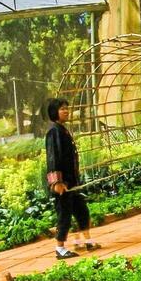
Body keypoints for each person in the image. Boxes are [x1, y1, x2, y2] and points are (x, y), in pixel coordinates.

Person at [44, 98, 98, 259]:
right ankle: (59, 249)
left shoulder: (62, 129)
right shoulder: (54, 131)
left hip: (72, 183)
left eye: (67, 108)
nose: (66, 111)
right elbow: (52, 158)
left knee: (82, 211)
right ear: (54, 112)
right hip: (63, 184)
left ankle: (88, 241)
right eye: (62, 109)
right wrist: (57, 182)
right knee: (64, 215)